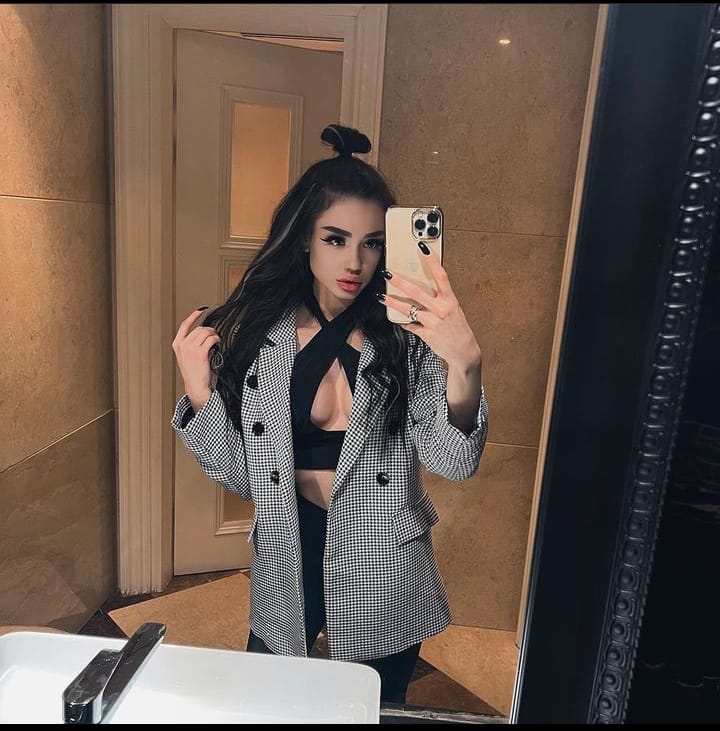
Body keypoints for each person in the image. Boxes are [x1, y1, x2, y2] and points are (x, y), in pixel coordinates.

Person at [171, 124, 488, 704]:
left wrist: (465, 365)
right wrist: (200, 396)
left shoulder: (406, 337)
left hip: (384, 556)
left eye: (372, 243)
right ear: (304, 240)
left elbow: (453, 461)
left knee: (372, 706)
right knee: (272, 701)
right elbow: (243, 477)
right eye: (336, 239)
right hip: (287, 546)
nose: (355, 262)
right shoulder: (261, 337)